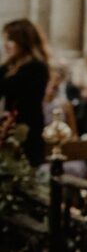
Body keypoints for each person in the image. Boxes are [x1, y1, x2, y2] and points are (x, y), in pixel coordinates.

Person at [0, 19, 50, 167]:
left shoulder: (36, 67)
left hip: (26, 129)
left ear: (23, 41)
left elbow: (25, 97)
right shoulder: (9, 66)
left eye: (10, 40)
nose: (6, 45)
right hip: (8, 127)